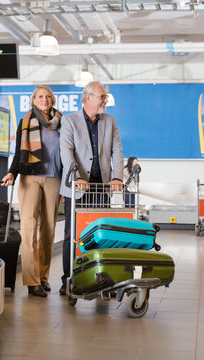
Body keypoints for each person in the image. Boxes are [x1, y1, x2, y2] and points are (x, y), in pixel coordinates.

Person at [59, 80, 124, 295]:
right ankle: (68, 278)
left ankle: (101, 278)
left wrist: (117, 177)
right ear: (88, 98)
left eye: (105, 97)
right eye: (102, 97)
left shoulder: (110, 121)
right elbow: (66, 152)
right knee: (73, 235)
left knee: (101, 235)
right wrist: (76, 177)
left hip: (100, 188)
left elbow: (117, 150)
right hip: (77, 188)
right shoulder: (69, 121)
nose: (105, 100)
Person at [1, 85, 62, 297]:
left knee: (49, 230)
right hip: (30, 178)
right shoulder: (25, 122)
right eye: (40, 96)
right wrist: (11, 173)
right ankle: (31, 281)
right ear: (33, 100)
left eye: (48, 96)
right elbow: (19, 152)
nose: (44, 99)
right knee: (29, 229)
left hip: (54, 178)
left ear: (52, 100)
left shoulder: (62, 123)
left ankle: (43, 277)